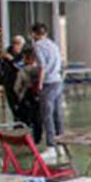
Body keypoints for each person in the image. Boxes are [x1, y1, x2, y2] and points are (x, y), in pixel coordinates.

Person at [30, 23, 63, 154]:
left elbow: (42, 66)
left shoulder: (38, 46)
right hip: (58, 81)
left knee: (47, 115)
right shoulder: (53, 44)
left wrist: (39, 84)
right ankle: (61, 145)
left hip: (48, 83)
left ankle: (51, 145)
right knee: (57, 114)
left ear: (33, 34)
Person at [13, 49, 42, 143]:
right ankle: (37, 139)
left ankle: (24, 139)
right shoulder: (40, 70)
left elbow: (16, 88)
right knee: (37, 119)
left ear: (26, 59)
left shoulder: (22, 71)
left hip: (26, 98)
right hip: (38, 97)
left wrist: (19, 95)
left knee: (23, 119)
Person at [0, 34, 26, 120]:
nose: (16, 46)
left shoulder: (23, 55)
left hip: (19, 82)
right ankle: (16, 120)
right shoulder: (6, 51)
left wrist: (11, 59)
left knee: (20, 103)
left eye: (19, 44)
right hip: (8, 81)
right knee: (12, 103)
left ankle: (22, 120)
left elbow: (21, 66)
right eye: (15, 43)